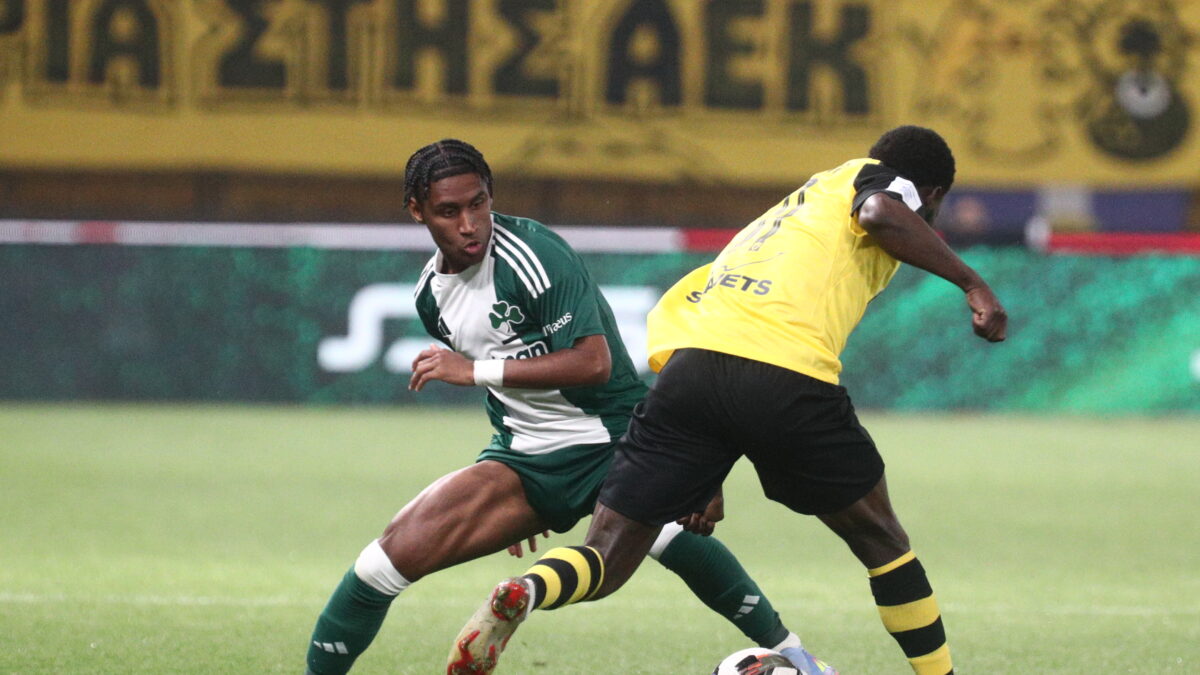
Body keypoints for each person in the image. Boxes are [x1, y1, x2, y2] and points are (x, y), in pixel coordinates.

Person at [450, 126, 1008, 675]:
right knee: (883, 541)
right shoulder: (878, 181)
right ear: (932, 194)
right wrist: (973, 284)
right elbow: (881, 212)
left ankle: (526, 590)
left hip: (691, 372)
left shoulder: (783, 218)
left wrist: (704, 471)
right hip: (787, 372)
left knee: (608, 552)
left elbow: (686, 324)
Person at [304, 139, 836, 675]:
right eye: (449, 211)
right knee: (379, 566)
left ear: (490, 195)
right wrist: (520, 493)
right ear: (417, 211)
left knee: (669, 536)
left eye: (478, 203)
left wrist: (474, 371)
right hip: (526, 458)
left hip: (615, 440)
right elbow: (507, 387)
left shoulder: (535, 254)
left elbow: (592, 363)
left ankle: (794, 653)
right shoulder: (431, 296)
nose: (469, 224)